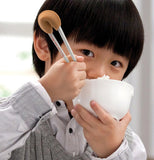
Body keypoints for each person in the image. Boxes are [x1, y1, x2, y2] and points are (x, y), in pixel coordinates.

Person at [0, 0, 147, 159]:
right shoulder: (16, 120)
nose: (99, 73)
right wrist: (46, 91)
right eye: (87, 52)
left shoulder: (127, 147)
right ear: (43, 46)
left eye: (115, 63)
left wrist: (111, 152)